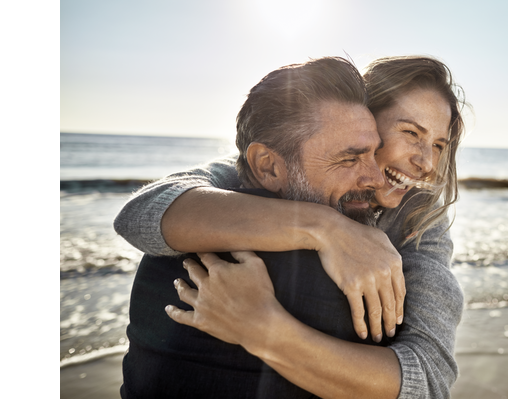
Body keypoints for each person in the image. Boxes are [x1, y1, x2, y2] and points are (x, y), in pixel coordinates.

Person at [115, 55, 467, 398]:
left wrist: (261, 327)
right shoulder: (258, 170)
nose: (427, 162)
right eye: (411, 132)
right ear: (366, 118)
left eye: (439, 145)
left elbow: (428, 381)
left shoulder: (420, 218)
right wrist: (326, 228)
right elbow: (140, 215)